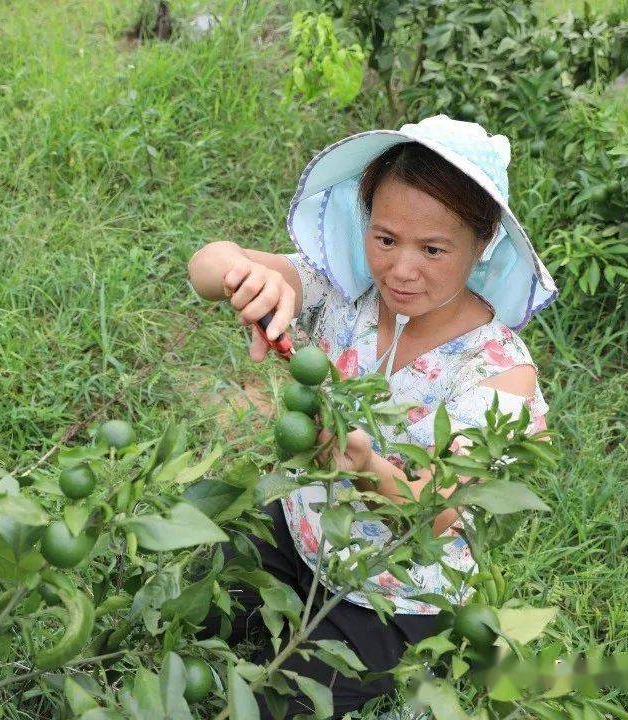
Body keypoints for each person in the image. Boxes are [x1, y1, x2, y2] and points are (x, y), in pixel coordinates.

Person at [187, 115, 557, 717]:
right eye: (385, 239)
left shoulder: (498, 375)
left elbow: (434, 512)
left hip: (389, 594)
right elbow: (207, 264)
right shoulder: (345, 293)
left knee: (290, 701)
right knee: (202, 607)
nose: (402, 270)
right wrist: (241, 275)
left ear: (481, 246)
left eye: (433, 249)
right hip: (298, 532)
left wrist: (363, 465)